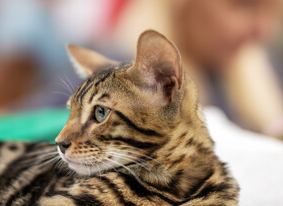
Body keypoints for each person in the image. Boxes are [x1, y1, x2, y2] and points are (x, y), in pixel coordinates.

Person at [110, 0, 283, 138]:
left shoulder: (258, 79)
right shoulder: (113, 84)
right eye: (243, 4)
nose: (262, 29)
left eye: (270, 11)